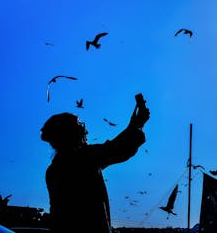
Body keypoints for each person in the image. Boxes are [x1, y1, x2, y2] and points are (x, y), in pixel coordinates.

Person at [40, 96, 150, 233]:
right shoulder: (81, 159)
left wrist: (134, 125)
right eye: (80, 126)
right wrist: (137, 124)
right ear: (70, 134)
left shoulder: (55, 169)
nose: (86, 131)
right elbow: (119, 148)